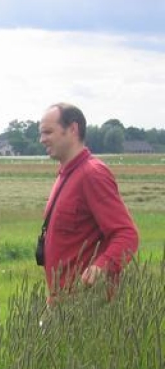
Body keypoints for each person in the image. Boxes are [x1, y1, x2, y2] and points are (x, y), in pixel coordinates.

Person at [37, 102, 138, 298]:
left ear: (73, 129)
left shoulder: (92, 174)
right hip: (62, 303)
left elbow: (127, 235)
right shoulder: (66, 173)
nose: (42, 139)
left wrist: (100, 268)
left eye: (48, 132)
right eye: (41, 133)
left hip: (86, 306)